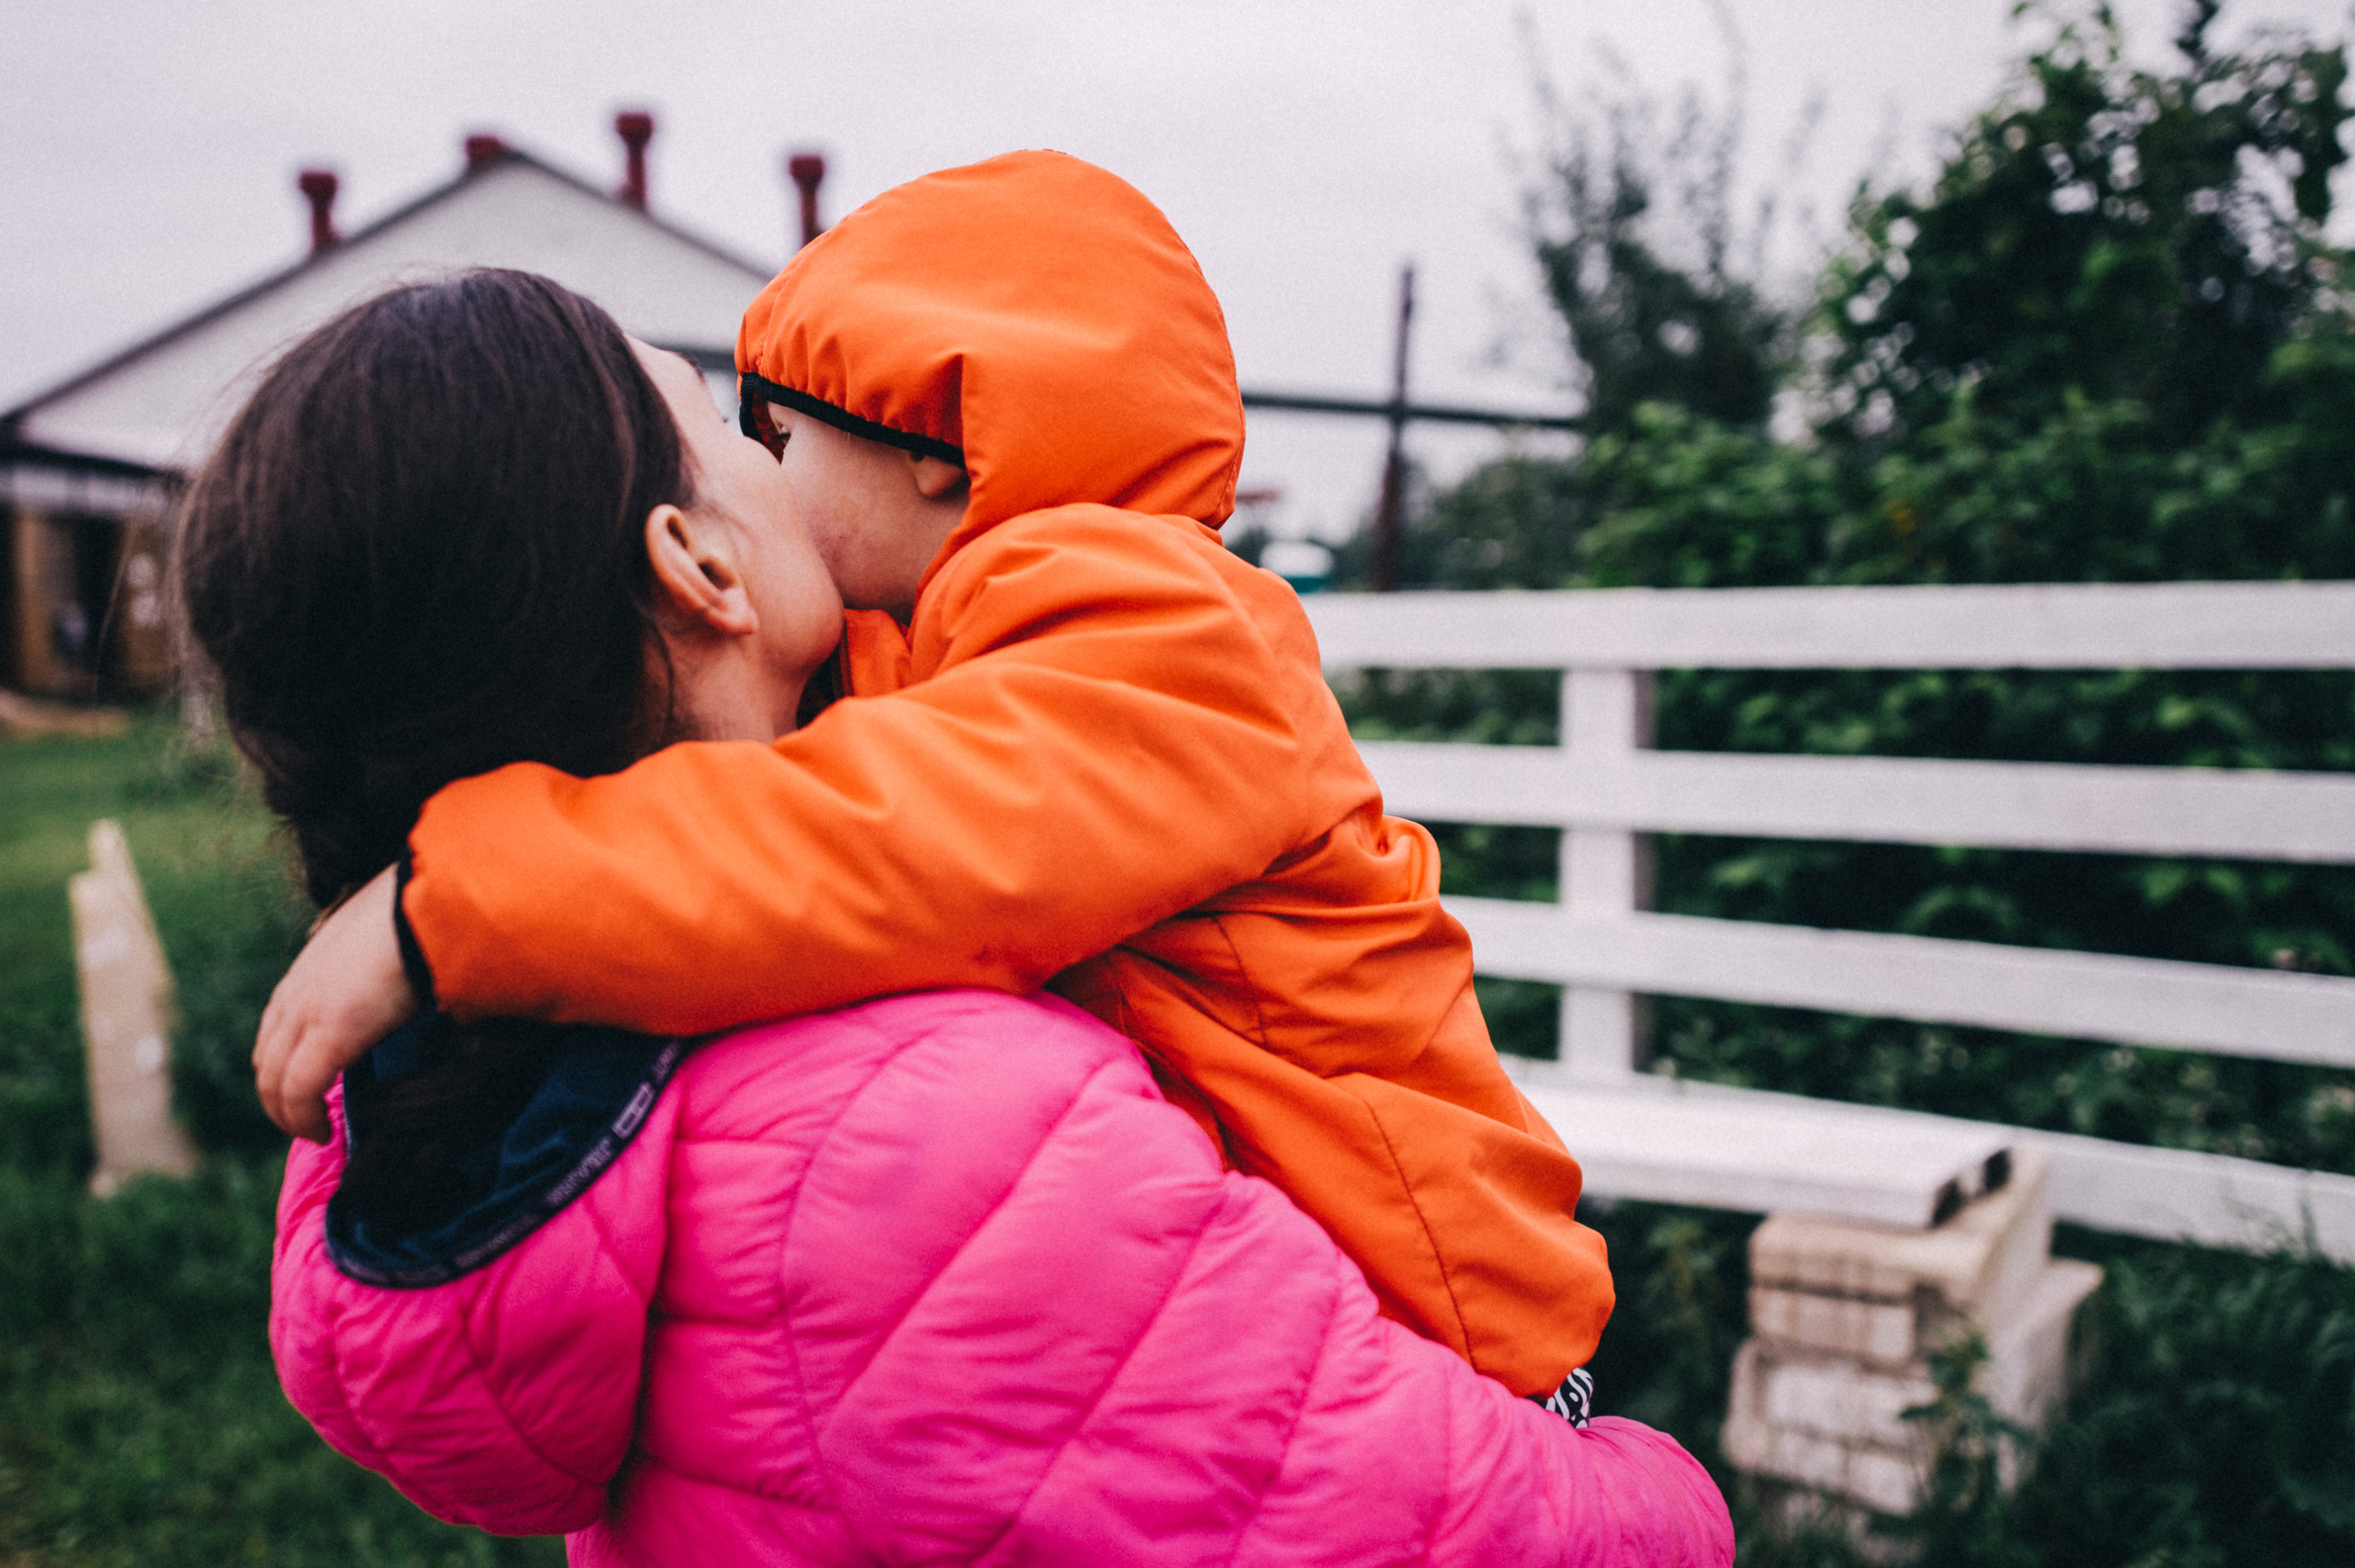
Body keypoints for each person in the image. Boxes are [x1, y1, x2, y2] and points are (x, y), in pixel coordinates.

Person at [186, 269, 1733, 1563]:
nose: (788, 458)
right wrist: (1657, 1494)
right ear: (700, 565)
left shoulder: (497, 1084)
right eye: (731, 427)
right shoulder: (937, 1135)